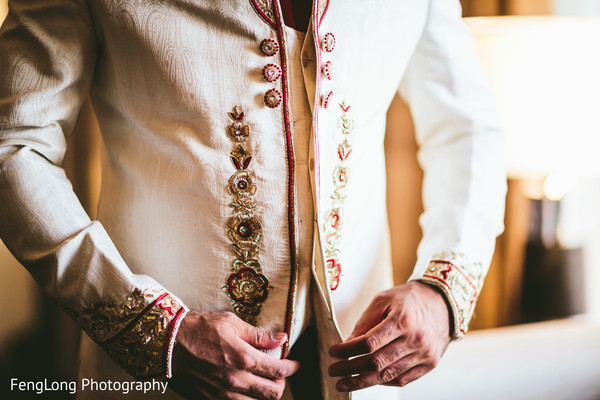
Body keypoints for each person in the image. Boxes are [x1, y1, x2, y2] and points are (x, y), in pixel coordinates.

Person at [0, 0, 506, 399]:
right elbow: (12, 146)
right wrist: (154, 330)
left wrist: (443, 290)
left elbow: (466, 127)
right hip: (160, 381)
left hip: (363, 370)